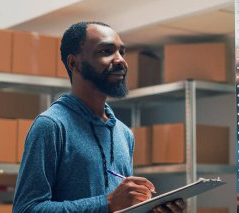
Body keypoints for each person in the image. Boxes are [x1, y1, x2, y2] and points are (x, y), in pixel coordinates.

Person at [13, 21, 186, 213]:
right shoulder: (51, 126)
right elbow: (26, 209)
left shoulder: (124, 133)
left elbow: (121, 208)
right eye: (106, 51)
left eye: (122, 52)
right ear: (74, 63)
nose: (120, 60)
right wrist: (108, 202)